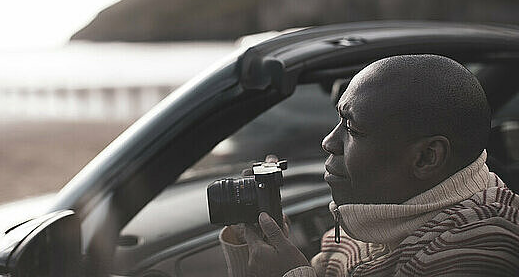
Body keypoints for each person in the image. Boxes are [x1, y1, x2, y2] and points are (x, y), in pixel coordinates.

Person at [220, 54, 519, 277]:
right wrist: (255, 249)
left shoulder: (479, 251)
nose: (328, 142)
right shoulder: (377, 213)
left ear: (427, 157)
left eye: (352, 129)